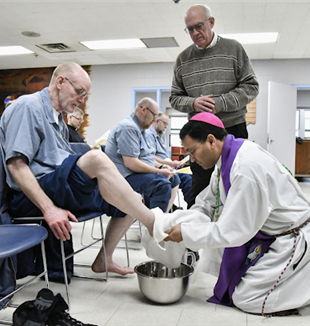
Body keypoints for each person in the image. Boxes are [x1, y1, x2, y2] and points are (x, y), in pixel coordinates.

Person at [0, 62, 155, 280]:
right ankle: (155, 225)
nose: (82, 100)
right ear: (60, 83)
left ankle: (104, 259)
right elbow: (16, 165)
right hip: (31, 195)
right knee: (95, 158)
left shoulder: (58, 118)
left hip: (60, 186)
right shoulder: (28, 106)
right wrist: (49, 209)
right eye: (79, 92)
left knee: (131, 201)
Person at [164, 112, 310, 316]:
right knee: (235, 283)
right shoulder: (228, 158)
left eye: (193, 151)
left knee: (247, 298)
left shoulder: (245, 168)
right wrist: (183, 220)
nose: (192, 159)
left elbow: (233, 231)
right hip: (269, 235)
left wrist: (186, 233)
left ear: (211, 140)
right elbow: (207, 203)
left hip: (291, 239)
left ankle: (304, 287)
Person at [169, 4, 259, 208]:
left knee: (236, 186)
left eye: (199, 26)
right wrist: (193, 103)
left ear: (211, 22)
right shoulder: (183, 59)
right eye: (189, 29)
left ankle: (234, 235)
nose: (195, 33)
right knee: (200, 189)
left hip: (232, 131)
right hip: (199, 137)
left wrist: (219, 104)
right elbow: (174, 98)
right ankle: (197, 234)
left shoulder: (234, 49)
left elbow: (251, 87)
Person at [105, 98, 179, 213]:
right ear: (144, 110)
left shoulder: (142, 130)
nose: (155, 120)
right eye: (154, 115)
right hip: (124, 177)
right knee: (161, 184)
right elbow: (131, 163)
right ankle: (154, 226)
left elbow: (146, 157)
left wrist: (161, 167)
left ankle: (160, 220)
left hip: (136, 174)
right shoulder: (128, 127)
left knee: (173, 178)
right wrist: (158, 172)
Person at [146, 112, 192, 204]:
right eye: (165, 123)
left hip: (168, 167)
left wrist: (173, 164)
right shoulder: (148, 135)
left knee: (189, 178)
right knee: (184, 179)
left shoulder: (159, 138)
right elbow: (150, 156)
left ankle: (191, 206)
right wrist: (170, 164)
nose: (166, 126)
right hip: (159, 169)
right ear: (157, 121)